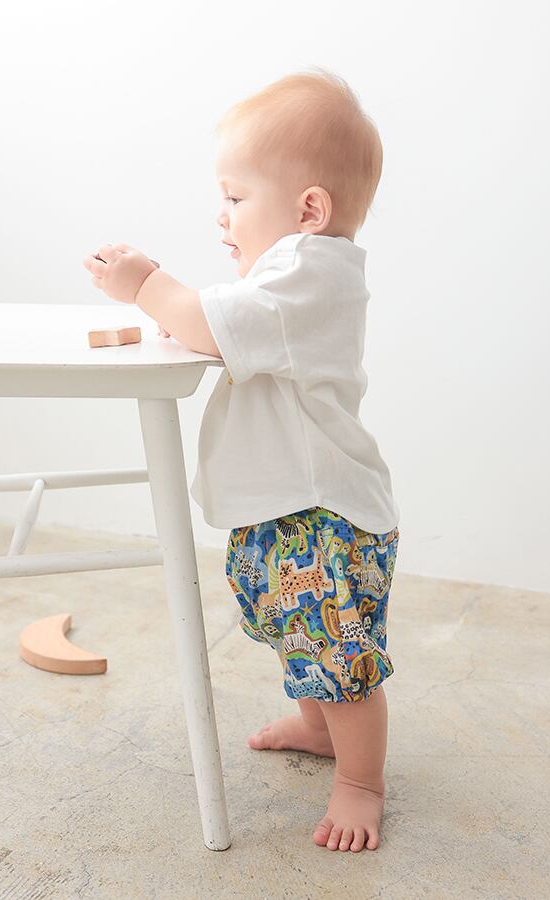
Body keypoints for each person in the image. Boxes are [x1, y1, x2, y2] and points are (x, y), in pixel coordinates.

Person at [82, 66, 400, 854]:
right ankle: (318, 728)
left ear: (308, 210)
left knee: (339, 654)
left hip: (324, 520)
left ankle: (361, 782)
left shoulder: (308, 273)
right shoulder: (288, 279)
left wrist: (145, 283)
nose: (221, 215)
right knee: (299, 638)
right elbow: (220, 325)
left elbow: (204, 323)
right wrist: (185, 311)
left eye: (235, 196)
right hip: (290, 512)